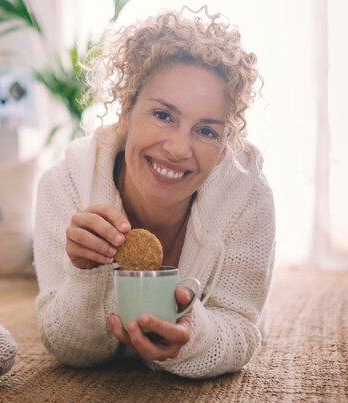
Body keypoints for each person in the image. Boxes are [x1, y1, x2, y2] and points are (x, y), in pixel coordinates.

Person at [33, 6, 275, 379]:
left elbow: (241, 329)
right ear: (126, 111)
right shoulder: (64, 185)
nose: (178, 149)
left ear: (225, 141)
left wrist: (192, 337)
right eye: (163, 115)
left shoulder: (247, 197)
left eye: (206, 131)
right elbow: (68, 348)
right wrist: (84, 276)